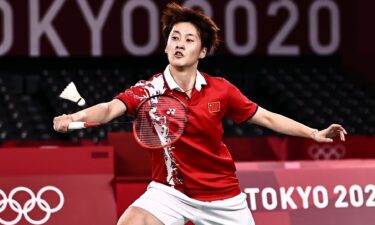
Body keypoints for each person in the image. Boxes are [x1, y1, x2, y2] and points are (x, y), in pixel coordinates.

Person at [53, 2, 347, 225]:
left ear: (203, 52)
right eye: (174, 37)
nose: (179, 44)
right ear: (166, 44)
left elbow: (266, 117)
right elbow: (107, 110)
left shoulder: (221, 90)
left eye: (189, 39)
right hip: (171, 192)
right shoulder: (149, 90)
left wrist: (313, 133)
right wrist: (73, 118)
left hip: (224, 197)